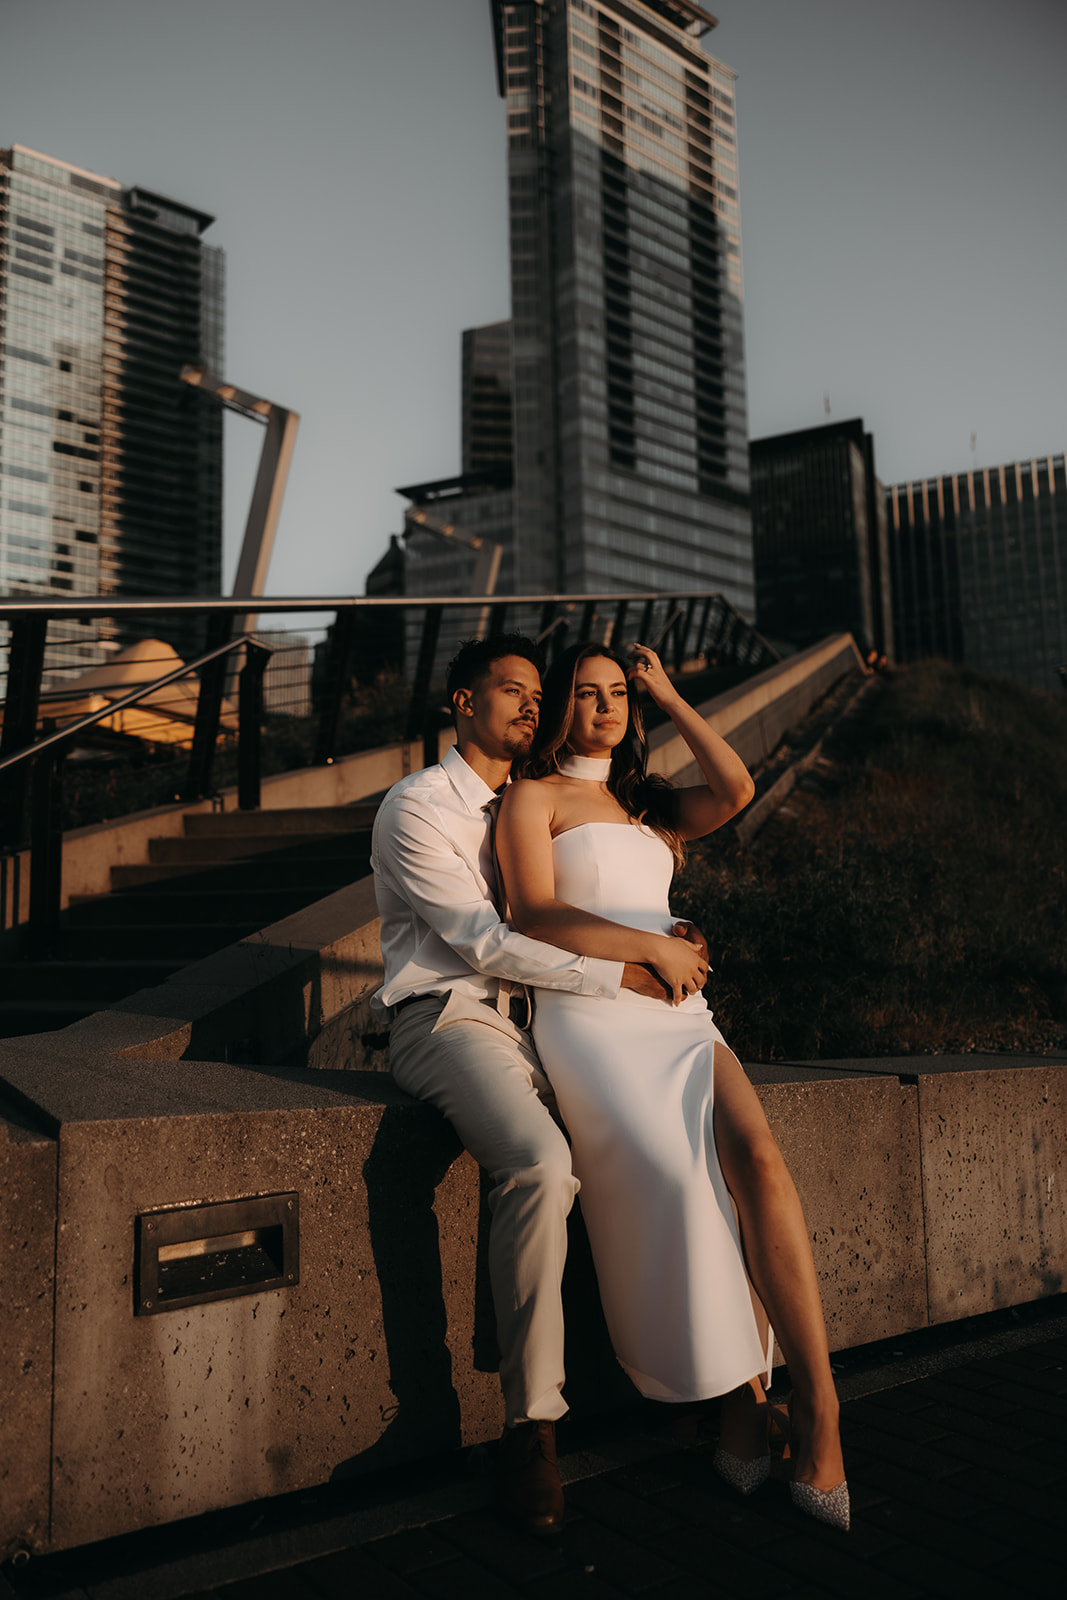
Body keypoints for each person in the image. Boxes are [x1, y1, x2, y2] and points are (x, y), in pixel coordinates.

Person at [495, 640, 850, 1532]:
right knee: (677, 1185)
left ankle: (819, 1407)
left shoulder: (646, 804)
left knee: (761, 1169)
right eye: (587, 693)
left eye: (619, 693)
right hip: (594, 1020)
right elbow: (532, 912)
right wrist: (650, 945)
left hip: (683, 1018)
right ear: (558, 708)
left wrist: (671, 692)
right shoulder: (531, 798)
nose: (606, 707)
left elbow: (733, 789)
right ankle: (735, 1401)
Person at [369, 634, 703, 1533]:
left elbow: (594, 896)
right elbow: (485, 944)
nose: (527, 704)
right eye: (507, 690)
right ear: (460, 706)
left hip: (551, 1020)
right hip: (454, 1016)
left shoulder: (538, 800)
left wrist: (662, 933)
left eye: (533, 693)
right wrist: (627, 972)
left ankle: (687, 1376)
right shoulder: (416, 809)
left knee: (652, 1145)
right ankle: (532, 1430)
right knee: (539, 1163)